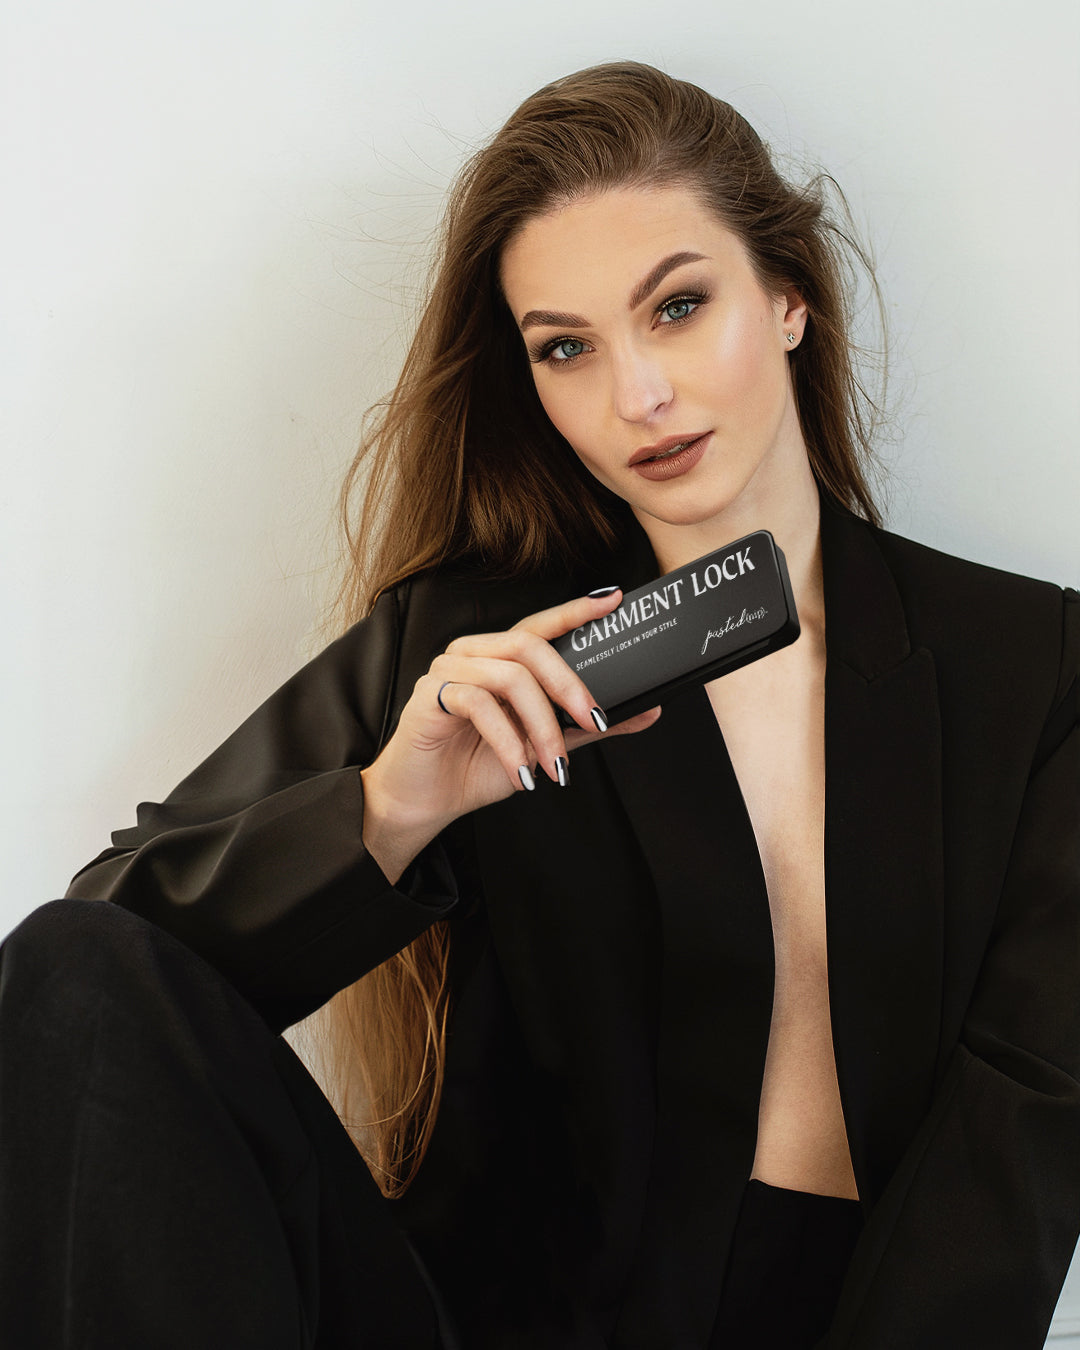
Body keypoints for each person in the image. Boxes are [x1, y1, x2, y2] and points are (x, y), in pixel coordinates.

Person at [1, 61, 1077, 1350]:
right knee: (70, 960)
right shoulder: (465, 652)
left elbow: (1029, 1117)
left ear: (788, 297)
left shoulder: (1035, 669)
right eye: (567, 348)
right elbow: (98, 991)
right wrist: (389, 814)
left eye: (678, 307)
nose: (638, 397)